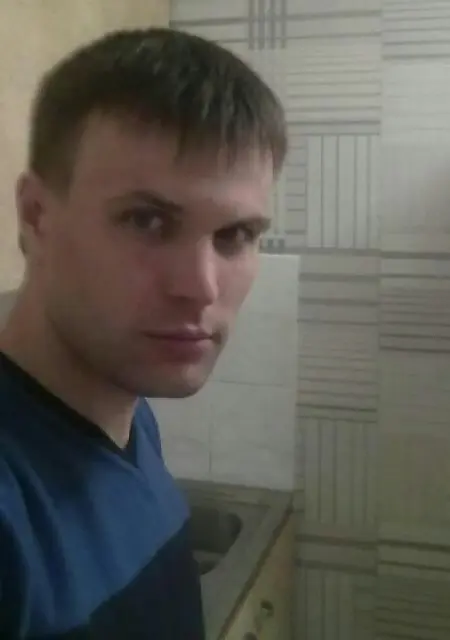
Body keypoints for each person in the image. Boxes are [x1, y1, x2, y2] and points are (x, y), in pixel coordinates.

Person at [0, 27, 287, 639]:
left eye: (235, 235)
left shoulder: (131, 417)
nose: (200, 287)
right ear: (36, 217)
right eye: (147, 220)